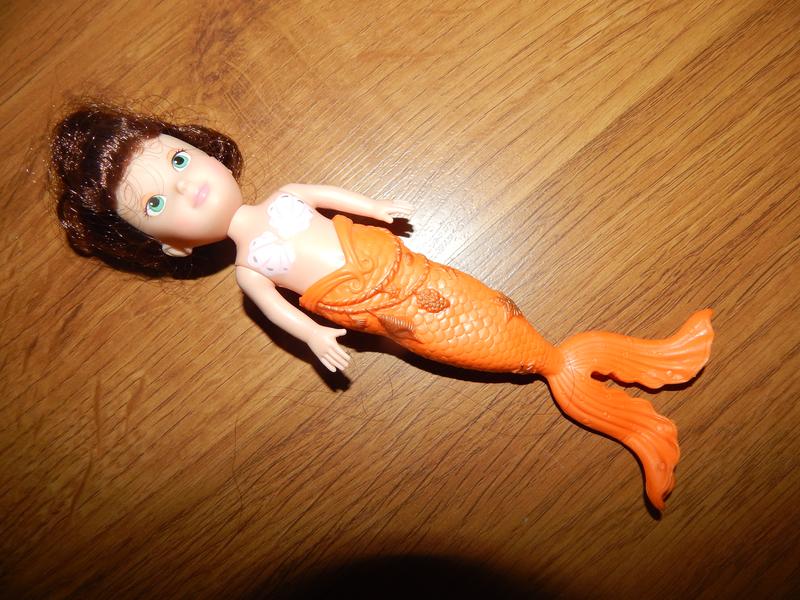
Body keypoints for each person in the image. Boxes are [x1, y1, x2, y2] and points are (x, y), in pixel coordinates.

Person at [50, 101, 714, 510]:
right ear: (168, 246)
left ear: (205, 149)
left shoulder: (286, 196)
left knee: (510, 327)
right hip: (394, 319)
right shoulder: (250, 272)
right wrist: (316, 338)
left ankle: (560, 362)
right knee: (508, 352)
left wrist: (379, 207)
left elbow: (334, 196)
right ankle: (567, 375)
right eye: (155, 203)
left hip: (419, 273)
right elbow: (284, 315)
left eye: (178, 160)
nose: (182, 187)